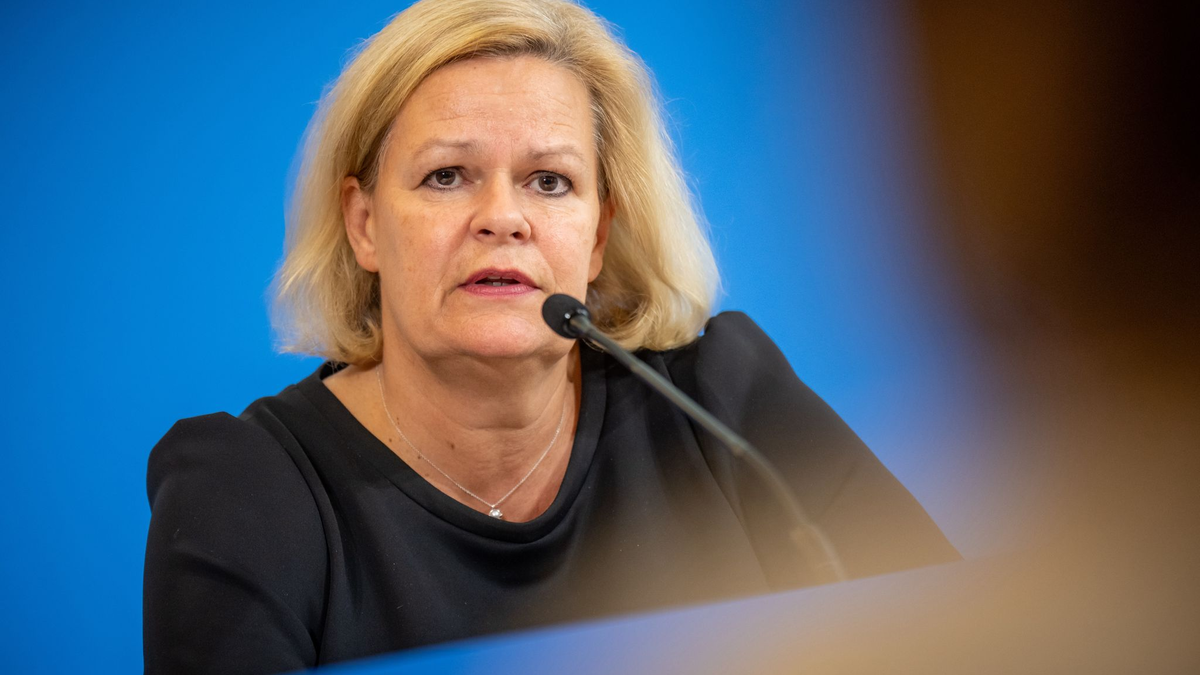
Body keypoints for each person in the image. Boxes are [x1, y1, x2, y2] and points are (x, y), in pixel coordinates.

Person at [143, 0, 958, 672]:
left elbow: (963, 641)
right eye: (446, 175)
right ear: (364, 225)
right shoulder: (249, 488)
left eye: (549, 180)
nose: (503, 217)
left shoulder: (723, 400)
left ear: (598, 233)